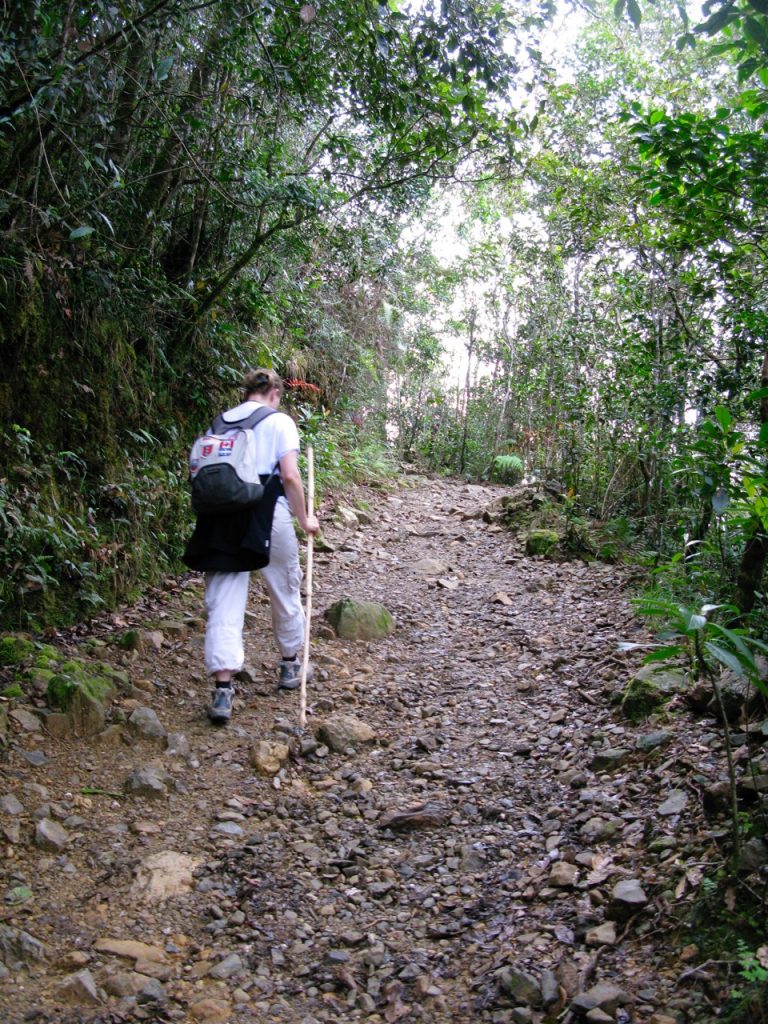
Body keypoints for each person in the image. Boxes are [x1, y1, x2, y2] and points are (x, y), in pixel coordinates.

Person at [182, 368, 320, 723]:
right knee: (284, 588)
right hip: (266, 513)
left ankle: (223, 691)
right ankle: (290, 665)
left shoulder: (221, 421)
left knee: (224, 600)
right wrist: (305, 519)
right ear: (274, 393)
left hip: (220, 518)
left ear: (248, 392)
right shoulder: (280, 422)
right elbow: (289, 475)